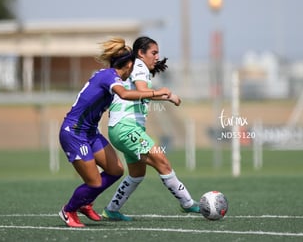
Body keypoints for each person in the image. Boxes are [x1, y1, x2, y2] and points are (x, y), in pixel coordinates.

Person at [58, 37, 171, 228]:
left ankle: (85, 203)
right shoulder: (109, 77)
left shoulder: (111, 77)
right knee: (94, 182)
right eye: (133, 66)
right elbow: (125, 94)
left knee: (116, 170)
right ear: (128, 65)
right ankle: (69, 210)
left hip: (90, 133)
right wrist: (156, 92)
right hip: (74, 133)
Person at [101, 36, 200, 221]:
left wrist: (167, 96)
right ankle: (188, 203)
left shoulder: (136, 67)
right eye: (153, 53)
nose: (157, 57)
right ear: (141, 53)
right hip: (126, 127)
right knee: (161, 160)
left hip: (123, 128)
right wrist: (166, 95)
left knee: (137, 174)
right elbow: (140, 90)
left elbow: (142, 93)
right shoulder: (139, 66)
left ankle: (111, 210)